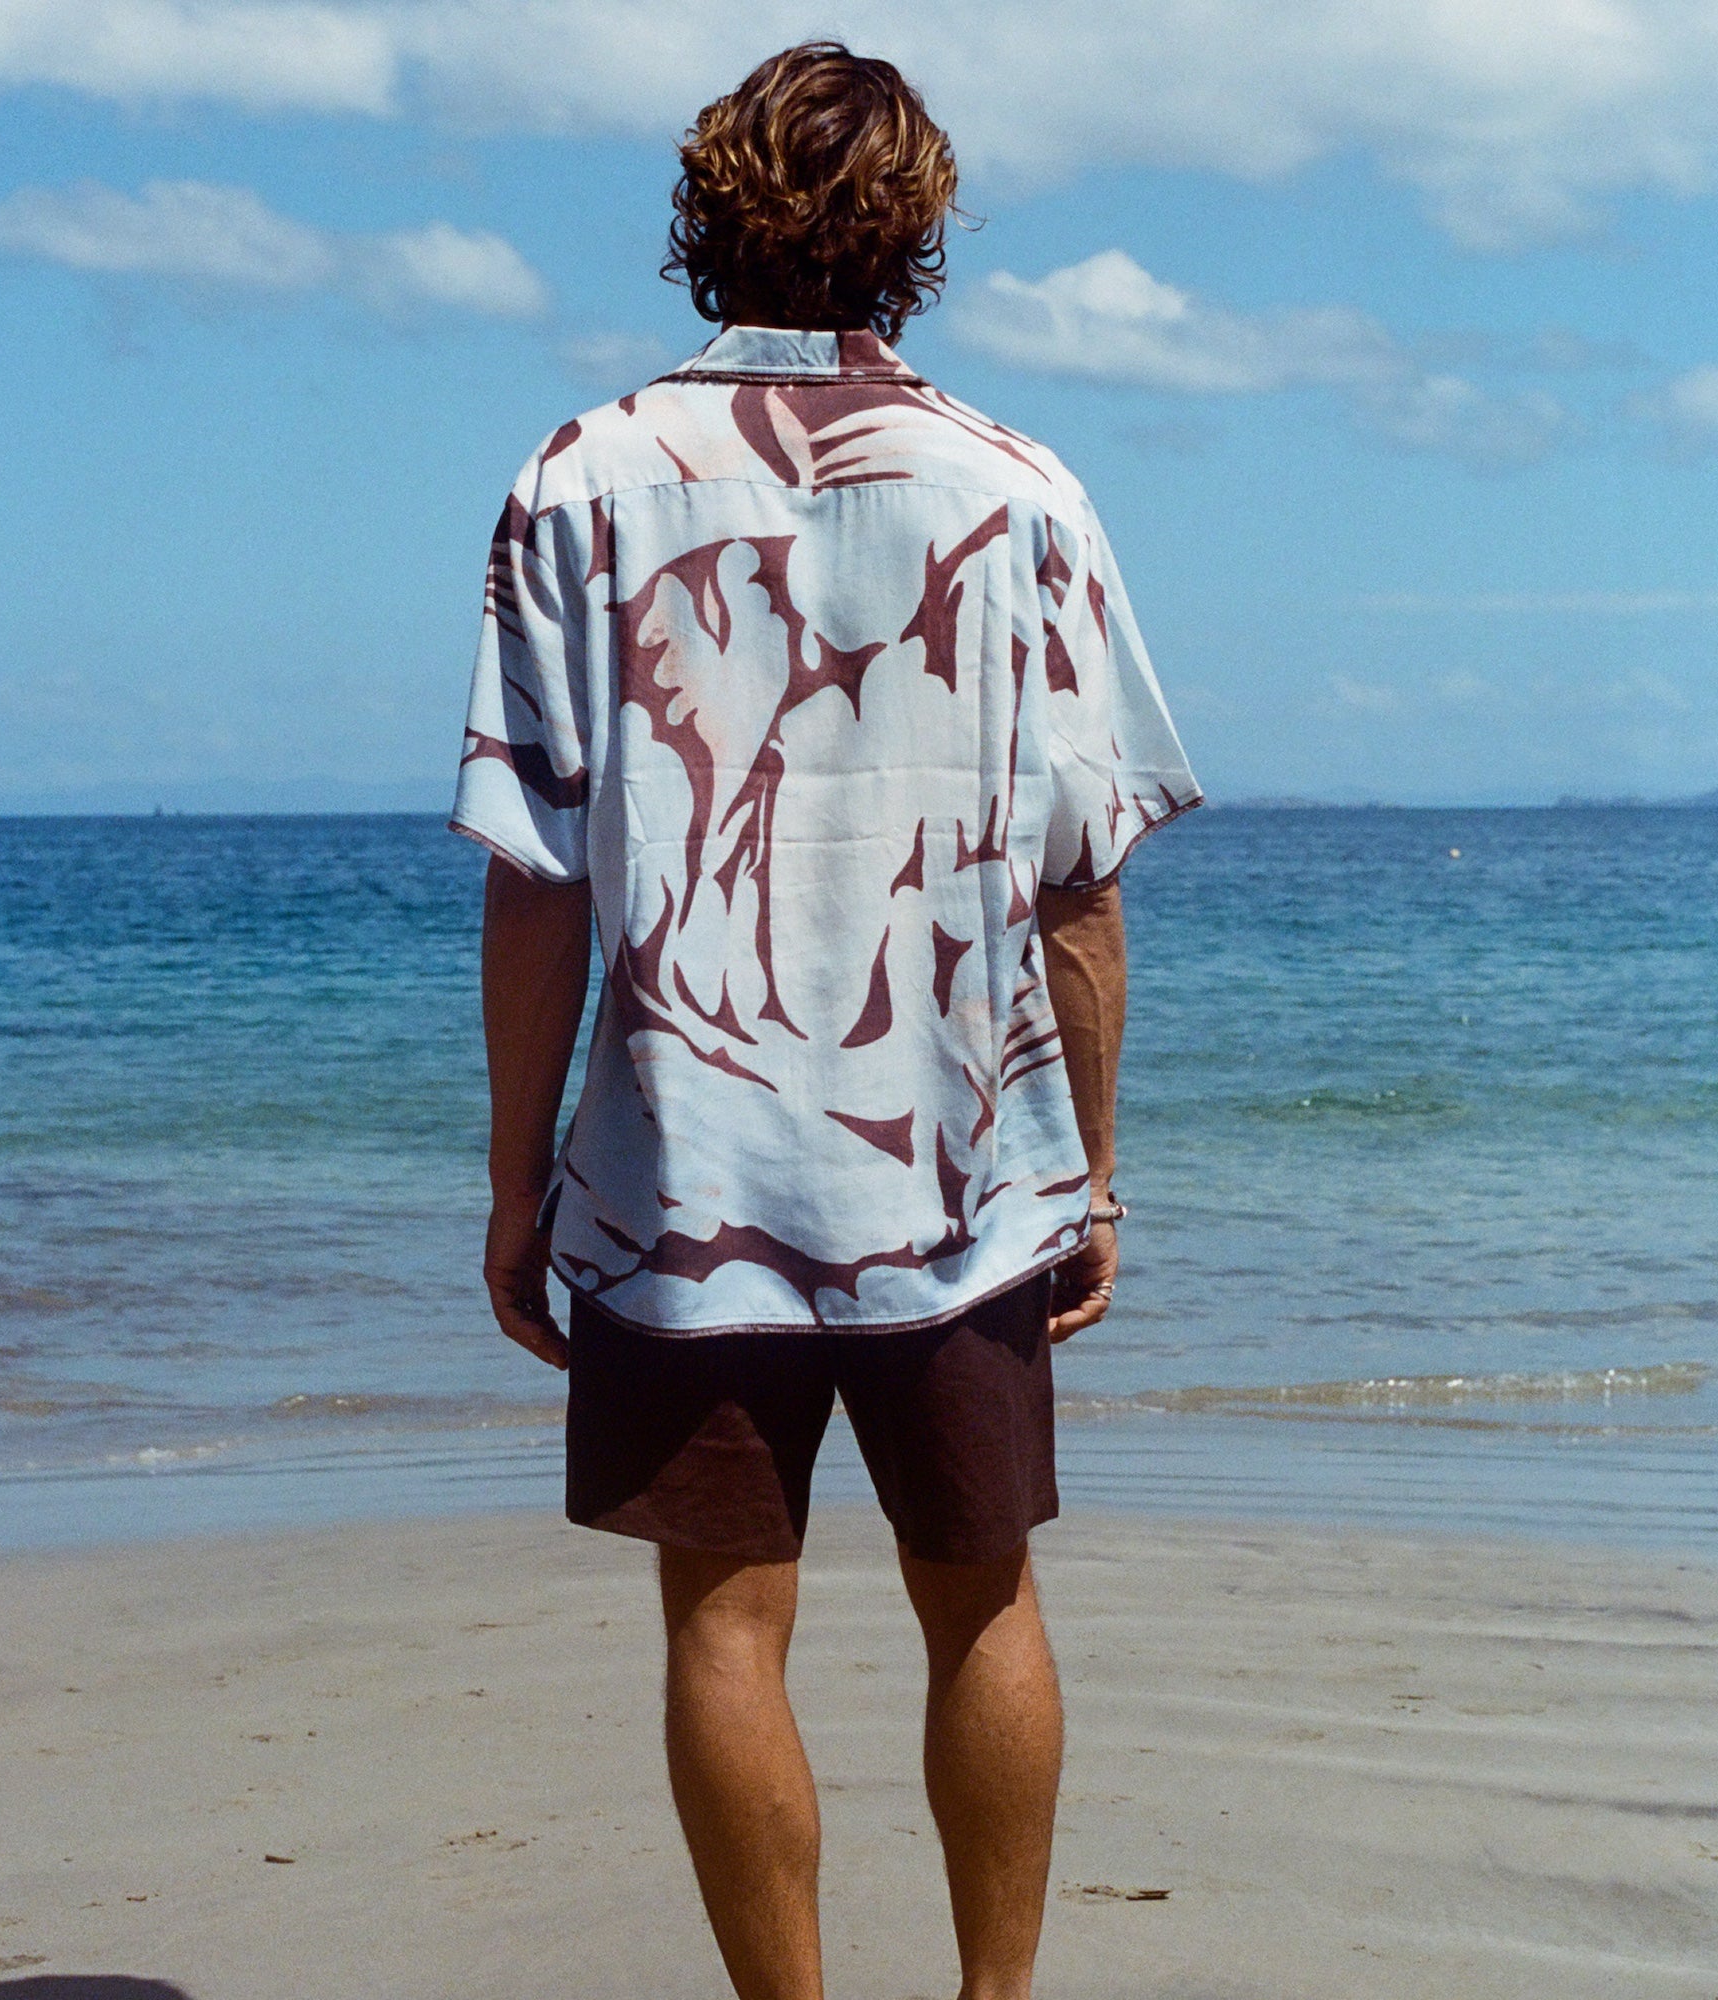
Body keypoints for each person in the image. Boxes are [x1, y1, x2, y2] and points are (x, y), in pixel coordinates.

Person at [450, 41, 1199, 2000]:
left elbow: (537, 878)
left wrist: (519, 1182)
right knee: (984, 1599)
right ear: (917, 233)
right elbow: (1079, 889)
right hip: (959, 1166)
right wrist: (1093, 1174)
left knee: (724, 1625)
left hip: (680, 1168)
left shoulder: (577, 480)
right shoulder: (1022, 491)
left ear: (705, 216)